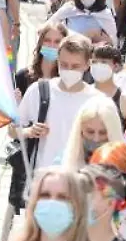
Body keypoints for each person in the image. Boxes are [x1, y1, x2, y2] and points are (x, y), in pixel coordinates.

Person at [15, 34, 102, 169]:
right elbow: (13, 129)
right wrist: (29, 131)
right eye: (64, 64)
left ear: (87, 65)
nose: (69, 70)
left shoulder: (96, 100)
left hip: (79, 181)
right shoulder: (39, 91)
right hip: (43, 178)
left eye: (75, 66)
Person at [89, 44, 126, 157]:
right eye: (94, 62)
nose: (98, 65)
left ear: (116, 66)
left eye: (103, 62)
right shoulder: (82, 94)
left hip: (112, 163)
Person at [60, 95, 126, 170]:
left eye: (103, 133)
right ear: (80, 130)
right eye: (90, 132)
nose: (96, 139)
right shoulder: (62, 162)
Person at [48, 0, 118, 45]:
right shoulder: (69, 8)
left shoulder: (105, 13)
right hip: (68, 49)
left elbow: (114, 42)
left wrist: (95, 35)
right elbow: (48, 26)